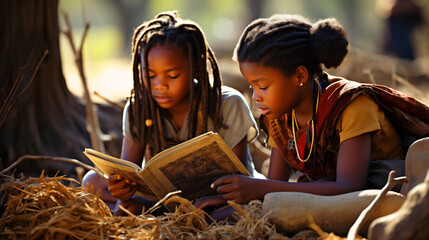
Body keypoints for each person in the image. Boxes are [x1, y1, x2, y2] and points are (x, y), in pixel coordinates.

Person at [194, 14, 429, 216]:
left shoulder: (351, 105)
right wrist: (234, 197)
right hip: (328, 189)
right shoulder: (280, 117)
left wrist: (259, 189)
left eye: (263, 86)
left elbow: (350, 186)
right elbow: (276, 184)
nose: (256, 97)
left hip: (379, 189)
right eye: (252, 87)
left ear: (299, 76)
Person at [82, 11, 260, 215]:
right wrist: (122, 189)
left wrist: (218, 199)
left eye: (172, 75)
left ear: (194, 68)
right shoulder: (139, 109)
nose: (160, 86)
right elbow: (128, 171)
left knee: (239, 212)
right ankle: (168, 213)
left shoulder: (227, 104)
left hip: (217, 198)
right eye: (150, 75)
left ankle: (168, 214)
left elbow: (243, 179)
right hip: (161, 198)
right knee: (91, 182)